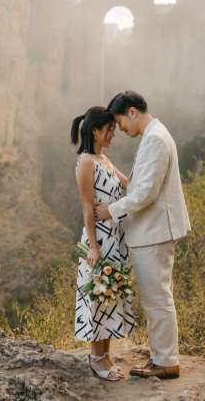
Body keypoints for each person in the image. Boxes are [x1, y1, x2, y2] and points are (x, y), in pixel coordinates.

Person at [93, 90, 191, 380]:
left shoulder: (155, 139)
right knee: (155, 297)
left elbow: (146, 193)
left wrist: (111, 210)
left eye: (120, 121)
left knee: (157, 298)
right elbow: (142, 185)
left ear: (132, 112)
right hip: (153, 230)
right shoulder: (155, 135)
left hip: (154, 231)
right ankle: (161, 357)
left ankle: (166, 362)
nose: (119, 129)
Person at [71, 106, 134, 381]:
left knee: (111, 295)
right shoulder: (86, 162)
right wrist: (94, 247)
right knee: (98, 296)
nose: (113, 133)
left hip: (114, 238)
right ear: (95, 130)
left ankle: (105, 356)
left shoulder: (104, 159)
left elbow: (128, 185)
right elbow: (87, 209)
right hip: (98, 239)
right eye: (109, 128)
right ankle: (96, 358)